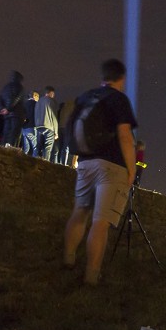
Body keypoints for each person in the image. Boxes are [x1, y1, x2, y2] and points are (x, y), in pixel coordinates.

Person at [62, 58, 138, 287]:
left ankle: (68, 259)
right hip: (111, 165)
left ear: (103, 77)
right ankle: (92, 276)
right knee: (101, 222)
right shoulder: (119, 99)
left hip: (85, 162)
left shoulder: (87, 97)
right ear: (122, 78)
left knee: (80, 211)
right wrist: (132, 168)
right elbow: (125, 135)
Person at [0, 71, 27, 148]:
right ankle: (11, 148)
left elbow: (0, 99)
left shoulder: (5, 87)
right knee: (14, 133)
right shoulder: (19, 87)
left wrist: (2, 108)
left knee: (6, 132)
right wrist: (8, 108)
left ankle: (3, 147)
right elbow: (17, 98)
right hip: (17, 114)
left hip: (7, 115)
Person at [34, 86, 59, 160]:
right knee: (47, 149)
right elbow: (54, 116)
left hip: (38, 126)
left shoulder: (39, 101)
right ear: (51, 93)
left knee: (38, 148)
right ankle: (44, 165)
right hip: (49, 127)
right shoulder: (51, 101)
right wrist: (56, 132)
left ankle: (35, 163)